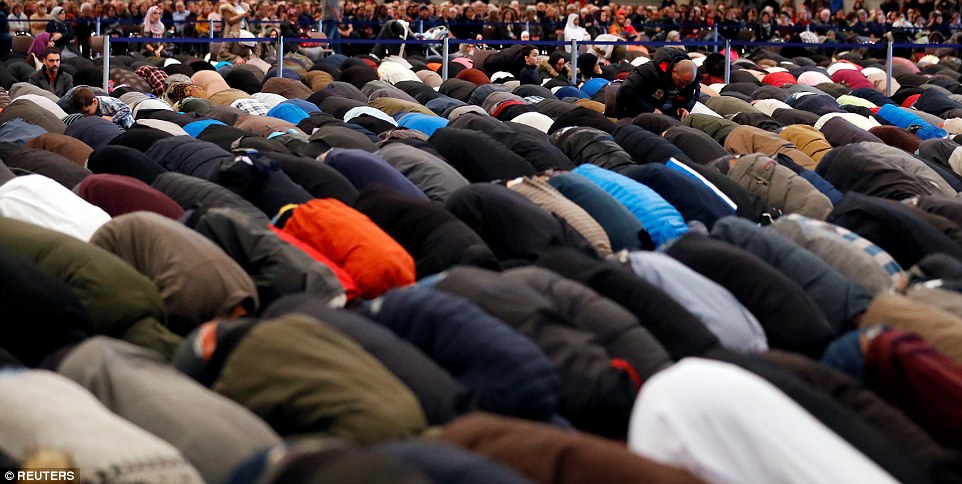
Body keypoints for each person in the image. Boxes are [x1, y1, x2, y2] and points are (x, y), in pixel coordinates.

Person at [614, 46, 700, 119]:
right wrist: (650, 109)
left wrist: (685, 107)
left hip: (668, 115)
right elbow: (627, 89)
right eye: (681, 82)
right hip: (636, 114)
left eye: (687, 84)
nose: (683, 86)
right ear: (674, 71)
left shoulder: (689, 77)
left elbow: (696, 91)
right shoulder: (648, 71)